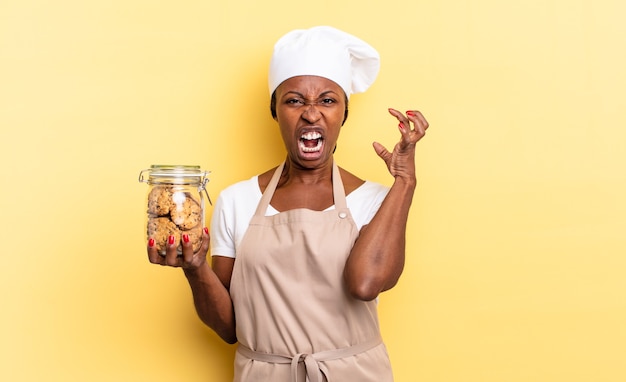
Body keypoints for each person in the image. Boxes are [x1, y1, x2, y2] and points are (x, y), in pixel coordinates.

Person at [147, 25, 429, 382]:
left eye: (327, 100)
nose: (311, 114)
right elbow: (229, 327)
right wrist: (195, 267)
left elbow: (365, 284)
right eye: (294, 100)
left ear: (343, 114)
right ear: (275, 112)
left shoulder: (374, 200)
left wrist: (405, 181)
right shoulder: (237, 200)